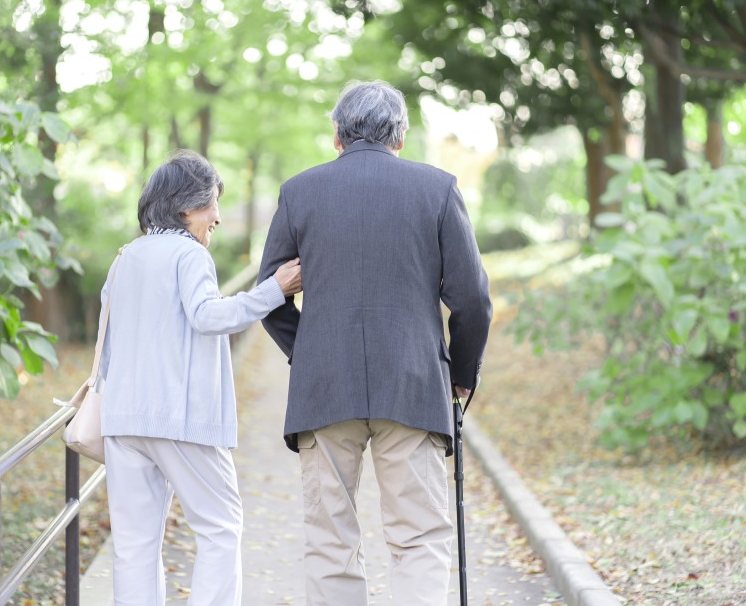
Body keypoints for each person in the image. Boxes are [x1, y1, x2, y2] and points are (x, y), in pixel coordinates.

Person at [258, 80, 492, 606]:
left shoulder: (300, 191)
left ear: (337, 135)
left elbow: (268, 294)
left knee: (329, 541)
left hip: (325, 388)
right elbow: (472, 300)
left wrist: (308, 347)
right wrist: (461, 374)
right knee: (420, 539)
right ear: (401, 136)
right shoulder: (437, 189)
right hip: (411, 385)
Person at [99, 150, 302, 606]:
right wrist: (274, 290)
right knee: (220, 526)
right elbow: (209, 317)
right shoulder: (188, 255)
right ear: (186, 205)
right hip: (179, 417)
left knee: (134, 546)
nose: (218, 216)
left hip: (123, 418)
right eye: (212, 203)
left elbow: (106, 341)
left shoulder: (125, 257)